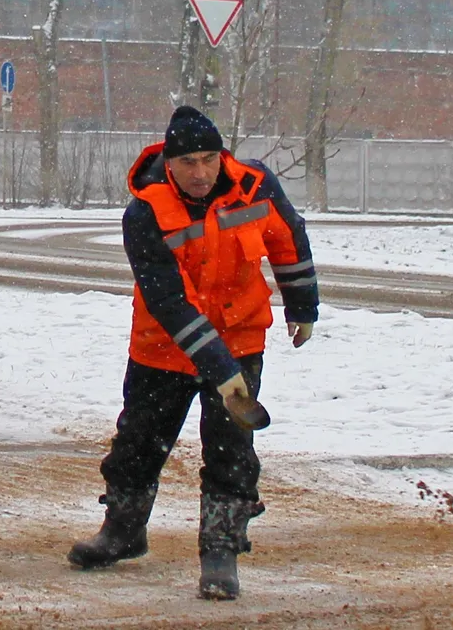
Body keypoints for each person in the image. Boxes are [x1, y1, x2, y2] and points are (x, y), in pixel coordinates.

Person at [68, 105, 318, 601]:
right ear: (168, 162)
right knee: (138, 445)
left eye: (209, 158)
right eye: (188, 163)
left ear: (220, 154)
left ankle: (221, 550)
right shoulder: (145, 212)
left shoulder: (255, 187)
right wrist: (219, 369)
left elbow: (289, 241)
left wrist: (303, 305)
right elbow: (168, 300)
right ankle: (123, 531)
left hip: (241, 337)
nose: (201, 172)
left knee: (230, 451)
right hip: (162, 348)